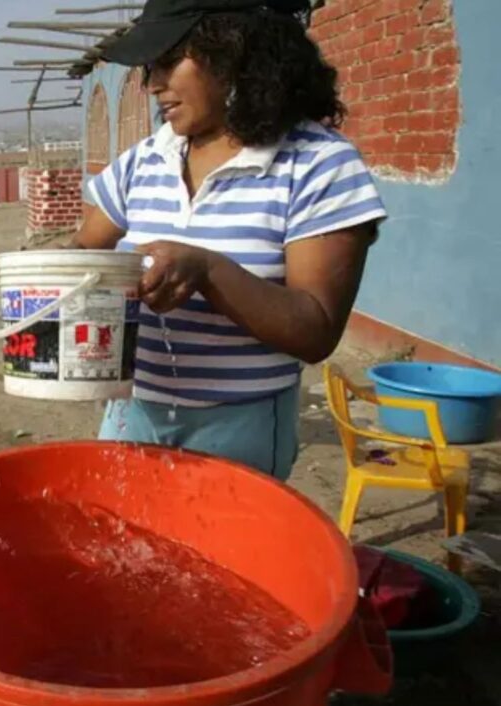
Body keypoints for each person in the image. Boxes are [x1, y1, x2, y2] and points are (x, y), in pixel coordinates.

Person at [75, 0, 386, 480]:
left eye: (168, 61)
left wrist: (208, 270)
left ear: (237, 52)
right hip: (134, 412)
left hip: (243, 421)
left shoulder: (317, 165)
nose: (154, 84)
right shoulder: (146, 159)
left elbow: (315, 329)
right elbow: (83, 251)